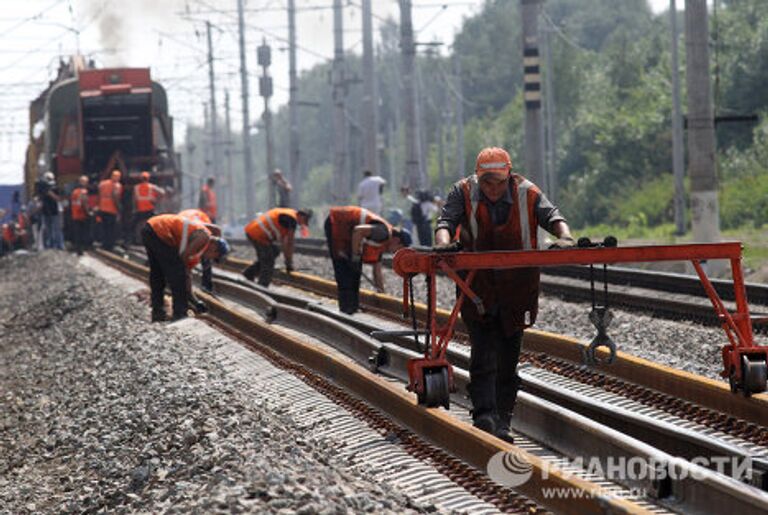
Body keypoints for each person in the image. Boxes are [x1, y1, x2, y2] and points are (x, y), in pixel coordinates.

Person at [434, 146, 574, 443]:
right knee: (483, 351)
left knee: (509, 355)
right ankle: (484, 414)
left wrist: (565, 238)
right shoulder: (462, 191)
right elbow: (446, 222)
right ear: (478, 177)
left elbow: (552, 216)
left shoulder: (527, 192)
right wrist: (444, 244)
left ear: (508, 175)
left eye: (498, 181)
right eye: (487, 182)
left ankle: (503, 421)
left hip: (517, 287)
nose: (493, 188)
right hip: (477, 287)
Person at [141, 213, 230, 322]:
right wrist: (178, 274)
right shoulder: (204, 237)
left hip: (150, 228)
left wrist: (194, 300)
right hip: (161, 229)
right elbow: (183, 258)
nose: (211, 259)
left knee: (157, 274)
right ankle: (180, 313)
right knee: (176, 273)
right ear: (214, 247)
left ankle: (158, 313)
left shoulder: (196, 255)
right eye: (215, 257)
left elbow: (187, 276)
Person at [324, 206, 412, 314]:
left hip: (347, 234)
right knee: (343, 269)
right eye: (399, 249)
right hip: (337, 222)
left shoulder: (383, 244)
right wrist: (355, 257)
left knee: (355, 271)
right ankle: (346, 307)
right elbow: (358, 231)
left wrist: (382, 294)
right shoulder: (383, 233)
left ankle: (352, 307)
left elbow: (377, 271)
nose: (396, 252)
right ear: (397, 240)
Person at [242, 208, 313, 287]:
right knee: (268, 260)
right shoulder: (291, 219)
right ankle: (262, 286)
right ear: (302, 216)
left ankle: (249, 273)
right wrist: (288, 263)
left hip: (254, 232)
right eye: (305, 221)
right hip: (257, 235)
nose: (302, 224)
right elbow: (289, 244)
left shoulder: (289, 214)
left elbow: (284, 243)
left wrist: (288, 261)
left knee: (274, 251)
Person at [179, 208, 215, 292]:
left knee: (205, 256)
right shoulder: (191, 224)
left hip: (190, 226)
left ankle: (207, 285)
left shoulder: (200, 224)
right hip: (185, 228)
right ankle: (207, 284)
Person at [133, 171, 165, 244]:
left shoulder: (136, 187)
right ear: (148, 178)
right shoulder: (152, 187)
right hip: (149, 208)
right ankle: (150, 240)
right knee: (150, 225)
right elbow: (162, 192)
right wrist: (156, 200)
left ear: (140, 179)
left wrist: (135, 208)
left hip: (140, 209)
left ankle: (139, 240)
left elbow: (134, 200)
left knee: (139, 225)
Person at [36, 172, 64, 249]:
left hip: (55, 211)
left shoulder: (55, 188)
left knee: (56, 229)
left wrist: (50, 193)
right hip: (46, 212)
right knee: (48, 230)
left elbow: (59, 198)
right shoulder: (43, 190)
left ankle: (59, 245)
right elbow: (39, 199)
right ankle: (50, 245)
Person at [98, 170, 123, 251]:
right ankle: (110, 246)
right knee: (111, 229)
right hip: (111, 210)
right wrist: (119, 208)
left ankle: (104, 244)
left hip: (102, 209)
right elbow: (115, 196)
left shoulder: (103, 184)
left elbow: (99, 195)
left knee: (104, 228)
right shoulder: (117, 185)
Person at [70, 175, 92, 256]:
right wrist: (88, 212)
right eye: (86, 182)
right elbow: (84, 202)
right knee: (83, 233)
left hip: (75, 215)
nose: (87, 183)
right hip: (82, 215)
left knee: (77, 233)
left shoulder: (74, 192)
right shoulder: (84, 192)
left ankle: (78, 250)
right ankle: (82, 250)